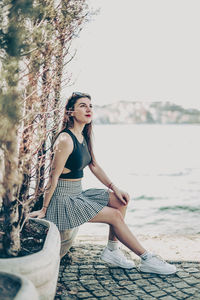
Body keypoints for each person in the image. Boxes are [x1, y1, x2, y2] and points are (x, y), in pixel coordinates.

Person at [29, 92, 176, 274]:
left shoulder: (84, 135)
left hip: (77, 194)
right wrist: (44, 208)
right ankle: (147, 258)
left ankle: (112, 251)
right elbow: (53, 176)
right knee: (114, 216)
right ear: (71, 112)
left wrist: (115, 188)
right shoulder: (65, 139)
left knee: (121, 200)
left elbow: (95, 166)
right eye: (83, 105)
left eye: (90, 105)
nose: (89, 109)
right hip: (63, 201)